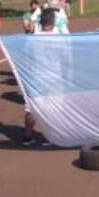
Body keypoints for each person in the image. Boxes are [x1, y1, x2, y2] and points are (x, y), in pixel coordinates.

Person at [23, 8, 59, 145]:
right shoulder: (59, 38)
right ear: (53, 22)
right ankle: (47, 136)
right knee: (52, 108)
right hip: (54, 77)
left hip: (36, 77)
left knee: (31, 108)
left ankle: (27, 136)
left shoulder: (32, 39)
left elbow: (27, 58)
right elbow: (66, 58)